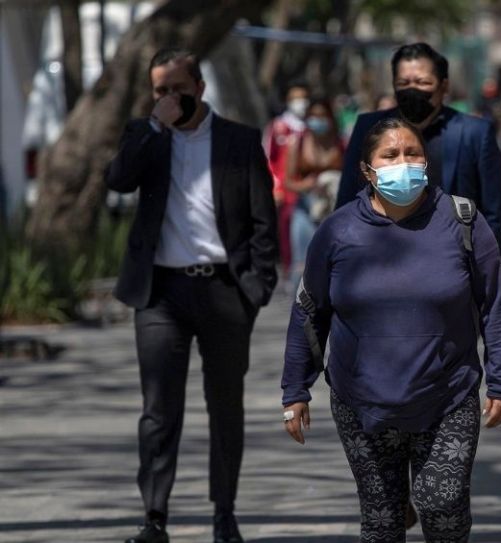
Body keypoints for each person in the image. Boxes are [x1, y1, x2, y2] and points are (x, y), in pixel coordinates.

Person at [281, 117, 501, 542]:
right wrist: (295, 390)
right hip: (362, 404)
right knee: (381, 521)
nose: (403, 162)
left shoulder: (462, 221)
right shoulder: (338, 230)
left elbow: (495, 306)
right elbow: (309, 311)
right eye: (390, 155)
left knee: (440, 502)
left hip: (448, 397)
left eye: (412, 153)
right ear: (367, 170)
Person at [106, 47, 278, 543]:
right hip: (160, 292)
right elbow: (117, 180)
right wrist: (155, 127)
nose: (168, 98)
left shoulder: (239, 141)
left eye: (178, 89)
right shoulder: (145, 136)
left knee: (225, 406)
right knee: (159, 408)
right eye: (159, 90)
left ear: (199, 88)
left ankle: (224, 513)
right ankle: (154, 517)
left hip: (225, 288)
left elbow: (263, 220)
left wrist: (257, 288)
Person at [333, 42, 501, 248]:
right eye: (404, 82)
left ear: (443, 86)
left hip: (450, 256)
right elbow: (347, 198)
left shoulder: (475, 133)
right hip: (379, 251)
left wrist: (482, 268)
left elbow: (493, 212)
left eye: (422, 82)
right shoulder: (368, 126)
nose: (412, 90)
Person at [285, 98, 344, 291]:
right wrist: (307, 185)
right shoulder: (298, 142)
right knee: (302, 261)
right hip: (305, 207)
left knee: (333, 259)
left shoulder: (340, 142)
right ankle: (299, 308)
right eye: (313, 116)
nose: (317, 120)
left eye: (322, 116)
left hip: (334, 209)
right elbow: (287, 180)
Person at [263, 82, 310, 284]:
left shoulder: (313, 125)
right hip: (287, 194)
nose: (301, 103)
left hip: (310, 193)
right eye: (296, 98)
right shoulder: (278, 127)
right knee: (288, 239)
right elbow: (267, 158)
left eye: (303, 97)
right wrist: (275, 188)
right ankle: (293, 279)